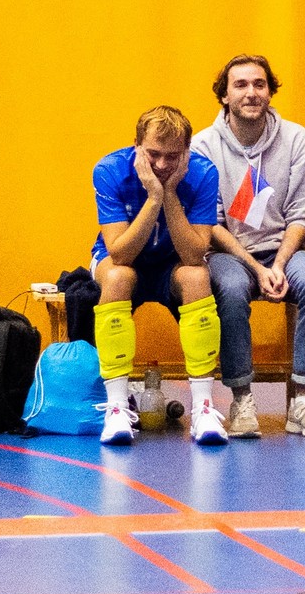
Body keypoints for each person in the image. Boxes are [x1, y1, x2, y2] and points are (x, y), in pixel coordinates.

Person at [192, 55, 305, 439]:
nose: (251, 93)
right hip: (228, 252)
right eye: (240, 85)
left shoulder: (296, 138)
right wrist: (257, 269)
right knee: (231, 288)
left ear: (270, 91)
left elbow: (301, 212)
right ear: (224, 95)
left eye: (259, 84)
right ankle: (241, 399)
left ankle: (303, 400)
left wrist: (279, 263)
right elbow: (210, 222)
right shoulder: (202, 145)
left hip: (283, 249)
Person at [92, 106, 226, 447]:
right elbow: (120, 253)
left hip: (172, 261)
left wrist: (169, 194)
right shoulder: (109, 170)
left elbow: (193, 254)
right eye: (153, 154)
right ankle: (117, 408)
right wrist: (153, 196)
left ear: (187, 152)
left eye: (173, 156)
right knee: (118, 277)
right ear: (136, 146)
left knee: (196, 277)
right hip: (125, 260)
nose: (163, 165)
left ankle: (203, 408)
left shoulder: (203, 173)